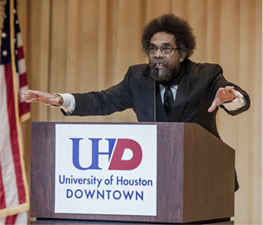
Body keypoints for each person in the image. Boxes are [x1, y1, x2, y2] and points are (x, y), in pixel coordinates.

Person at [23, 14, 250, 190]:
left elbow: (236, 97)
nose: (157, 54)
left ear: (182, 53)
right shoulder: (137, 78)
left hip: (205, 179)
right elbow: (102, 100)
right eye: (152, 49)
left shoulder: (207, 74)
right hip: (155, 181)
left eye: (166, 48)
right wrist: (61, 100)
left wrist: (230, 98)